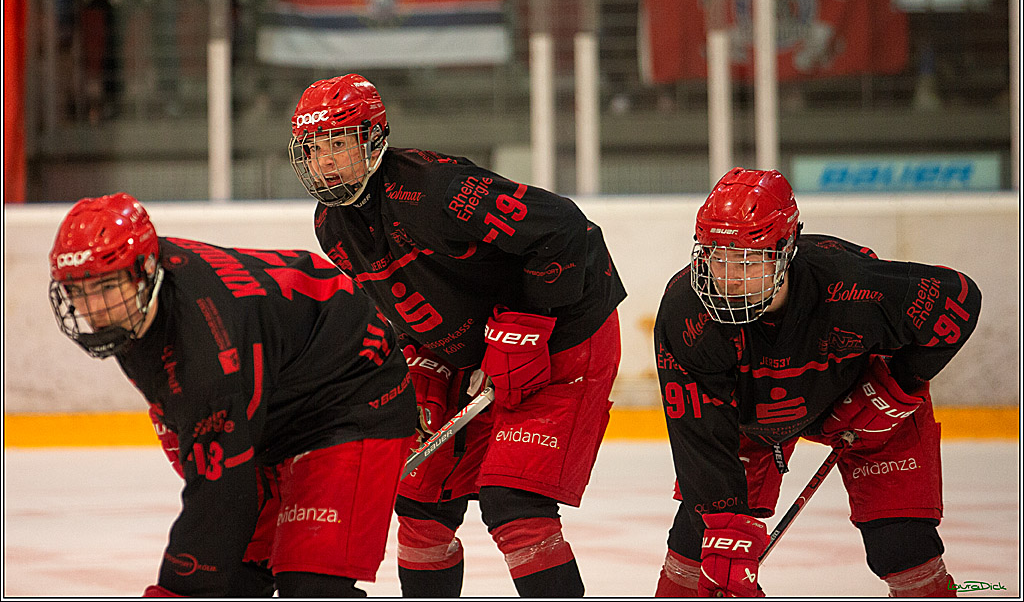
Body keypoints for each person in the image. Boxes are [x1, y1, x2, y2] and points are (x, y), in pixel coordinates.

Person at [287, 74, 627, 597]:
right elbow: (397, 312)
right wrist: (421, 369)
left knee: (515, 505)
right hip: (473, 352)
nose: (326, 161)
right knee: (420, 502)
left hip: (566, 327)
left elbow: (563, 229)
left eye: (339, 144)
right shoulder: (331, 226)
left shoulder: (436, 189)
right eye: (314, 149)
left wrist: (527, 325)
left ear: (374, 139)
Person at [48, 192, 417, 597]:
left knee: (310, 584)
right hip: (269, 401)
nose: (95, 308)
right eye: (79, 291)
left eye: (105, 286)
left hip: (351, 395)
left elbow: (219, 502)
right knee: (237, 576)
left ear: (147, 268)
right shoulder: (145, 300)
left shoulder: (205, 351)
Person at [652, 167, 981, 597]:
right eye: (717, 256)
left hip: (861, 399)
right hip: (750, 416)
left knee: (901, 547)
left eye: (748, 260)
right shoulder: (688, 314)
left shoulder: (852, 287)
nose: (729, 277)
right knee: (698, 545)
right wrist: (725, 528)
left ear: (786, 249)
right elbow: (699, 436)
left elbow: (956, 299)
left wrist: (894, 387)